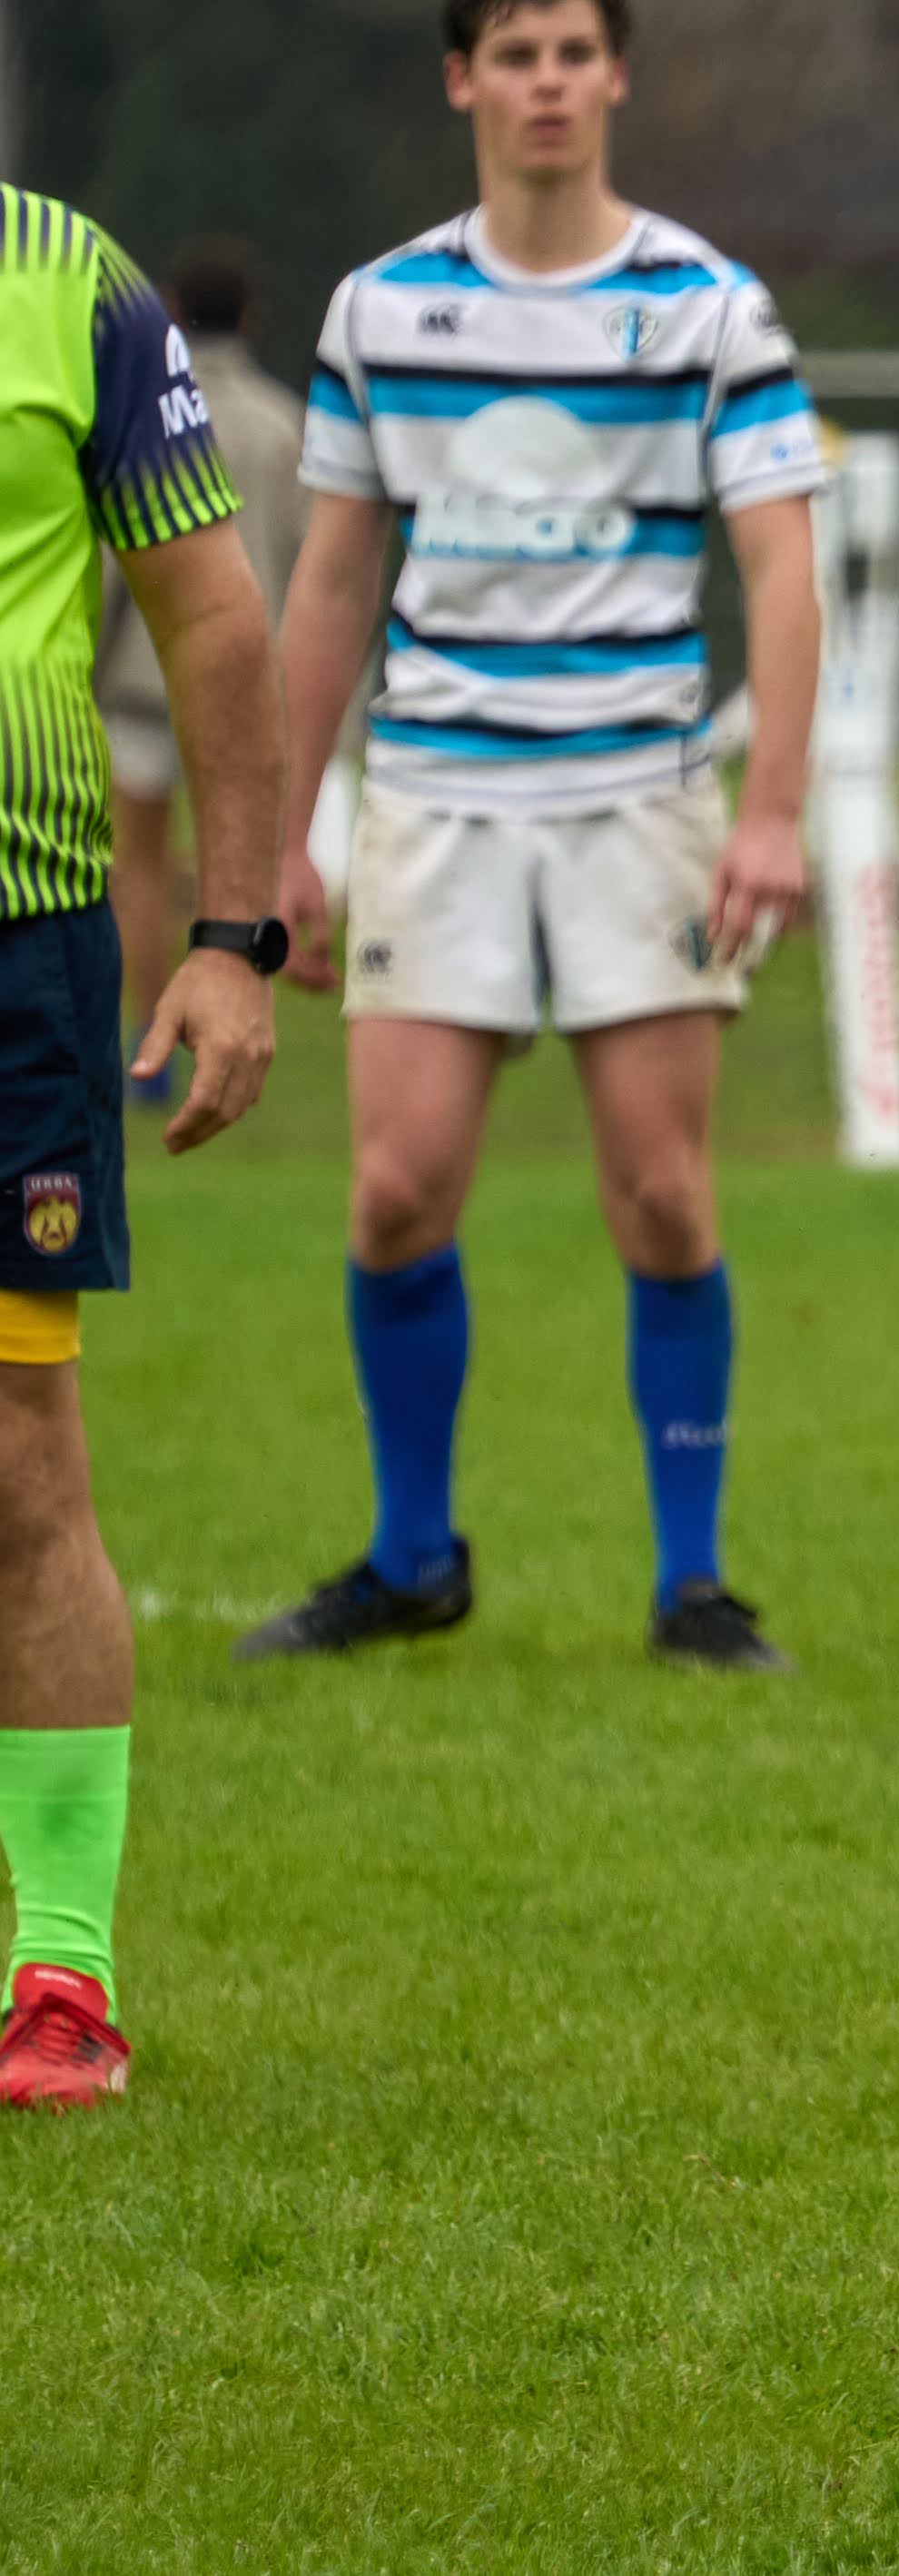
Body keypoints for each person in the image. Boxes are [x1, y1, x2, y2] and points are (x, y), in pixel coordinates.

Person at [243, 0, 826, 1670]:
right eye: (515, 53)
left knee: (659, 1193)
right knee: (394, 1189)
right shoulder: (387, 307)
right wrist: (277, 844)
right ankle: (413, 1555)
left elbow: (781, 567)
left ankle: (692, 1586)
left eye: (576, 49)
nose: (548, 81)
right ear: (462, 80)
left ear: (617, 73)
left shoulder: (708, 305)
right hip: (434, 794)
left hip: (641, 791)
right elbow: (335, 579)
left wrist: (771, 808)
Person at [0, 187, 287, 2105]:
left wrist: (233, 936)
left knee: (23, 1456)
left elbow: (213, 615)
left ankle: (62, 1978)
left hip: (17, 949)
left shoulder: (69, 281)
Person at [93, 239, 308, 1106]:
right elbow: (304, 561)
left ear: (173, 307)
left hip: (142, 676)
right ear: (250, 318)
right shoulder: (282, 421)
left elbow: (115, 559)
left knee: (139, 866)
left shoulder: (141, 406)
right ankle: (241, 1019)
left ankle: (152, 1038)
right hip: (254, 684)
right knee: (244, 859)